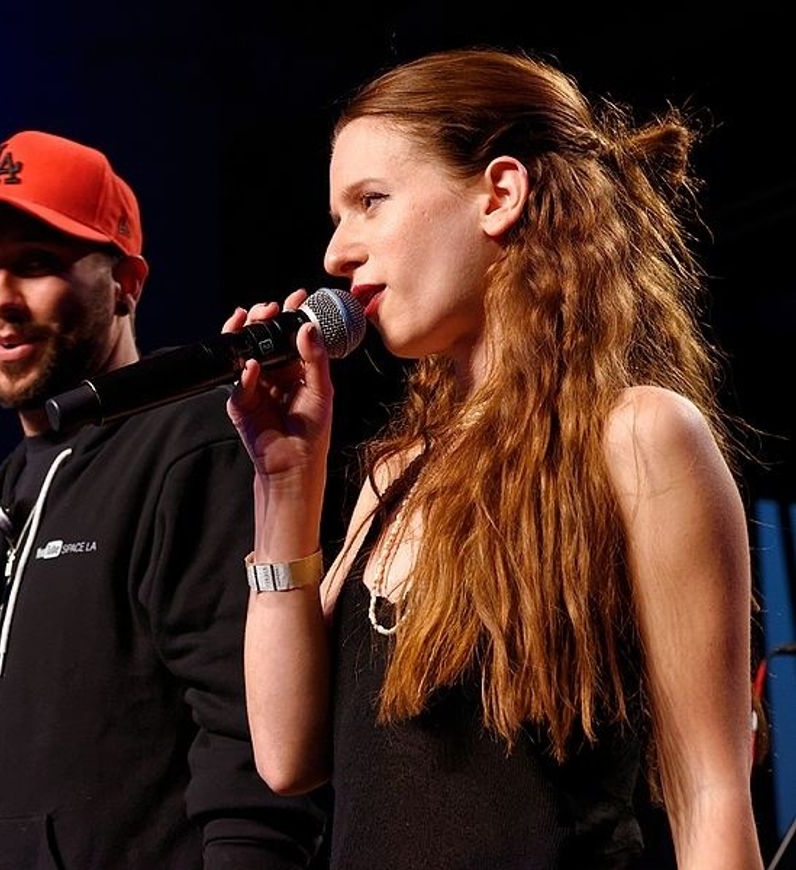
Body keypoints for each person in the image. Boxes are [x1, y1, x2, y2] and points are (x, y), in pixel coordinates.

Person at [224, 48, 762, 868]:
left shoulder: (640, 437)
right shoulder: (394, 477)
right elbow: (286, 756)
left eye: (370, 201)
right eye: (338, 216)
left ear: (500, 194)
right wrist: (286, 483)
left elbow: (710, 794)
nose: (336, 254)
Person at [0, 130, 323, 869]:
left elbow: (257, 762)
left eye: (34, 264)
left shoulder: (196, 444)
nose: (0, 299)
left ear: (125, 283)